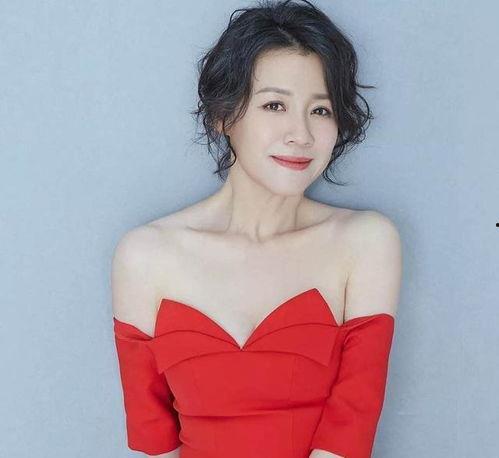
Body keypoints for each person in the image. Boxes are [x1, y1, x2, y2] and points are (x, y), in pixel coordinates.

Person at [111, 1, 402, 457]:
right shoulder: (144, 255)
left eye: (321, 110)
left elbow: (350, 430)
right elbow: (152, 440)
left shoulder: (366, 242)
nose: (301, 134)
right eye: (274, 105)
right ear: (224, 116)